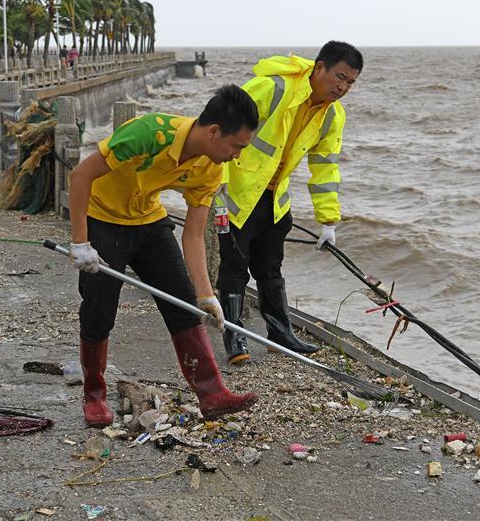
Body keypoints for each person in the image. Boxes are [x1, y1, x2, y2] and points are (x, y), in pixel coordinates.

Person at [68, 84, 260, 427]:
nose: (238, 156)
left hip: (149, 221)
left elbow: (195, 233)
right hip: (103, 218)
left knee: (182, 302)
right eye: (237, 146)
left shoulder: (212, 168)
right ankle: (94, 394)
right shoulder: (150, 133)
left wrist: (205, 296)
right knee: (99, 309)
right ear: (215, 132)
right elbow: (80, 175)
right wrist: (81, 242)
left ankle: (212, 393)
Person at [216, 40, 364, 365]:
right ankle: (234, 337)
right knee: (234, 266)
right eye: (339, 77)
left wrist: (328, 221)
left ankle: (280, 335)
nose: (342, 87)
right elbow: (220, 126)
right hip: (236, 194)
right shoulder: (274, 88)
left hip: (274, 199)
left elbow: (325, 168)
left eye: (350, 82)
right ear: (319, 67)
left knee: (270, 267)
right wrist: (215, 189)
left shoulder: (332, 116)